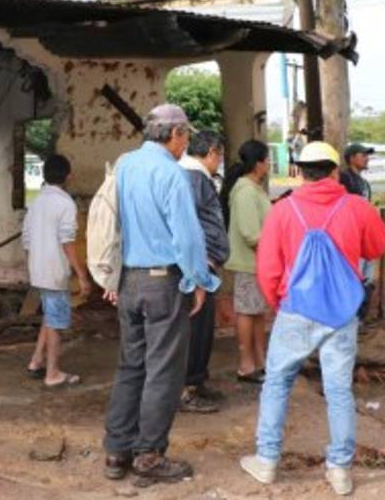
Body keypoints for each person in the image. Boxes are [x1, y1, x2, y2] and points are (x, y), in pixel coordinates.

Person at [240, 142, 385, 497]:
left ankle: (267, 460)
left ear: (300, 172)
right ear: (335, 171)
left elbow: (268, 267)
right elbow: (376, 247)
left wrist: (279, 302)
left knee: (277, 382)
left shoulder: (282, 209)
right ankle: (339, 469)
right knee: (338, 389)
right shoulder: (358, 206)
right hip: (341, 312)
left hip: (296, 308)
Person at [102, 104, 220, 487]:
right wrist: (198, 280)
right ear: (174, 134)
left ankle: (117, 451)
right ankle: (149, 455)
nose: (186, 143)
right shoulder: (172, 173)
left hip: (129, 280)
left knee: (130, 366)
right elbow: (187, 237)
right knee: (164, 371)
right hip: (162, 283)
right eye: (185, 136)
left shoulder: (125, 166)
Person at [23, 154, 92, 387]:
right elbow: (67, 242)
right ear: (68, 176)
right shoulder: (65, 203)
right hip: (54, 272)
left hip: (38, 270)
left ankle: (36, 360)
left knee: (50, 316)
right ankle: (52, 373)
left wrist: (35, 264)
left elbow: (26, 240)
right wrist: (82, 275)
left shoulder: (36, 203)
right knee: (56, 322)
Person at [178, 130, 230, 414]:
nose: (219, 161)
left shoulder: (195, 177)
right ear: (211, 152)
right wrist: (200, 264)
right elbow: (187, 224)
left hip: (202, 264)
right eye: (219, 156)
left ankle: (196, 382)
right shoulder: (193, 178)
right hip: (200, 266)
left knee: (203, 329)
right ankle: (187, 388)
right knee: (196, 329)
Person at [221, 139, 272, 385]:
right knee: (247, 312)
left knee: (257, 313)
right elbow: (251, 234)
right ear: (258, 163)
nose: (269, 164)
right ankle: (246, 365)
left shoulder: (253, 188)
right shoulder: (245, 191)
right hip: (248, 263)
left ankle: (261, 362)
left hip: (258, 263)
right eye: (267, 159)